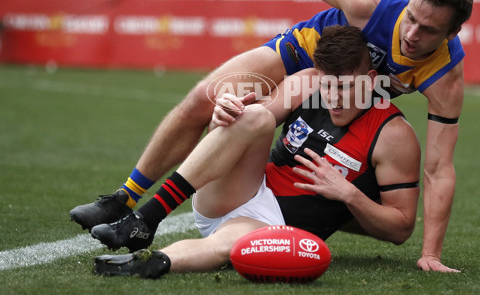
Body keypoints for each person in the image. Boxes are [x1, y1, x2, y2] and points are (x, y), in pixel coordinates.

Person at [70, 0, 473, 273]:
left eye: (429, 30)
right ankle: (123, 201)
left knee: (352, 179)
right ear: (409, 1)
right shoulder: (372, 0)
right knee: (206, 100)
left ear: (453, 32)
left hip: (355, 90)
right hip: (307, 56)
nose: (413, 34)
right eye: (412, 19)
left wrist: (430, 254)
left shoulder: (445, 77)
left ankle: (305, 215)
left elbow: (439, 168)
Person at [91, 25, 421, 278]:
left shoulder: (393, 134)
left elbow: (401, 228)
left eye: (345, 87)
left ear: (371, 79)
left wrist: (348, 194)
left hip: (270, 228)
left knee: (223, 248)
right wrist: (225, 110)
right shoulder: (306, 81)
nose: (333, 97)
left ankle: (142, 263)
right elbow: (254, 120)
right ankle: (146, 219)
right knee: (256, 117)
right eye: (327, 85)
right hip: (238, 188)